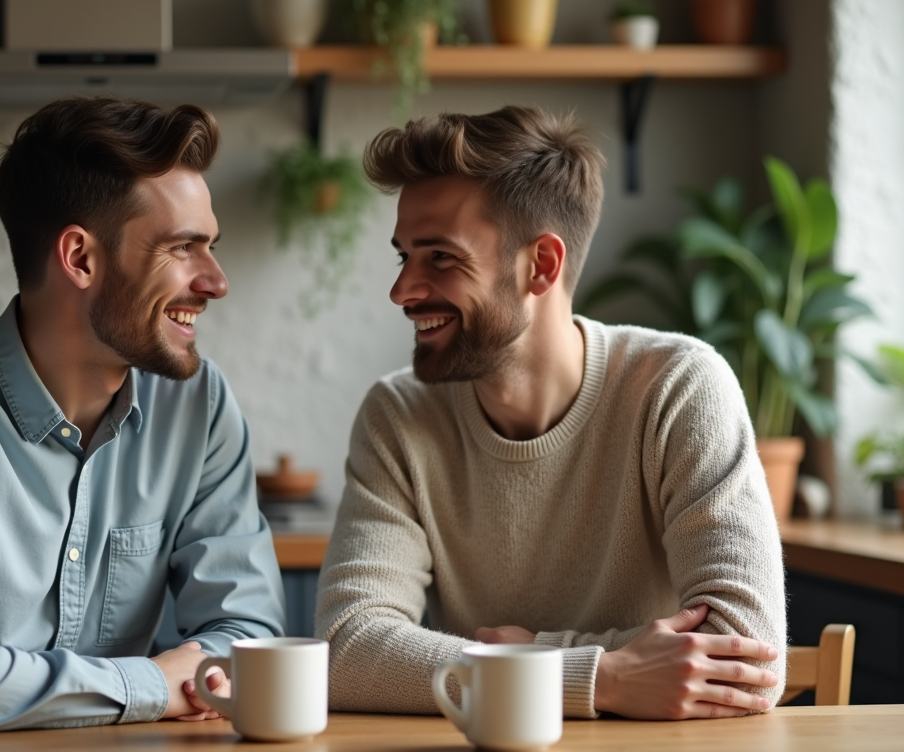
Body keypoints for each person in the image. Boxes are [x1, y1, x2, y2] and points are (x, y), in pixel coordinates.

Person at [0, 97, 286, 736]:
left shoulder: (197, 407)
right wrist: (148, 684)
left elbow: (250, 636)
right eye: (184, 248)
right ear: (80, 258)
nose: (215, 280)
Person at [315, 106, 787, 720]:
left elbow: (746, 662)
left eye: (440, 258)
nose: (402, 290)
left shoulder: (679, 389)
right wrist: (600, 676)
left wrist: (533, 653)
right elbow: (346, 648)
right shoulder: (400, 416)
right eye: (404, 256)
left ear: (541, 265)